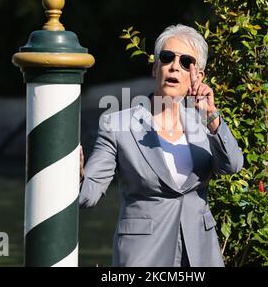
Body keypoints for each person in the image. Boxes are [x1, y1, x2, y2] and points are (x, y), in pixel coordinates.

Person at [79, 24, 243, 267]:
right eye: (167, 58)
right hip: (143, 257)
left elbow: (232, 166)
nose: (174, 66)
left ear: (198, 76)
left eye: (186, 61)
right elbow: (87, 196)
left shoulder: (204, 123)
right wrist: (76, 175)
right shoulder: (117, 125)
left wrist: (211, 116)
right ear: (156, 68)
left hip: (200, 256)